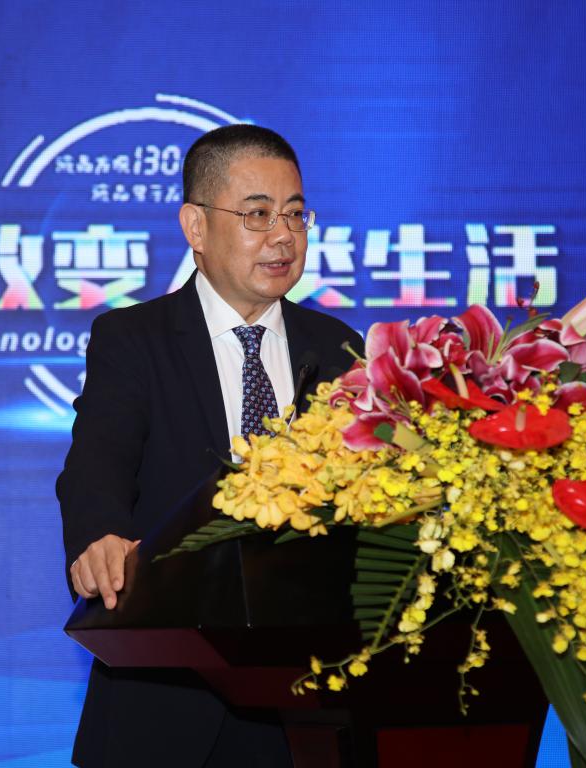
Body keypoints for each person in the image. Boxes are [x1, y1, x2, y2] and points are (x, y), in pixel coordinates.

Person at [57, 124, 363, 767]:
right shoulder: (133, 339)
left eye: (296, 214)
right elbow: (97, 461)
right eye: (257, 215)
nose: (283, 236)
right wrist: (99, 534)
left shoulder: (338, 348)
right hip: (167, 695)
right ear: (196, 226)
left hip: (311, 703)